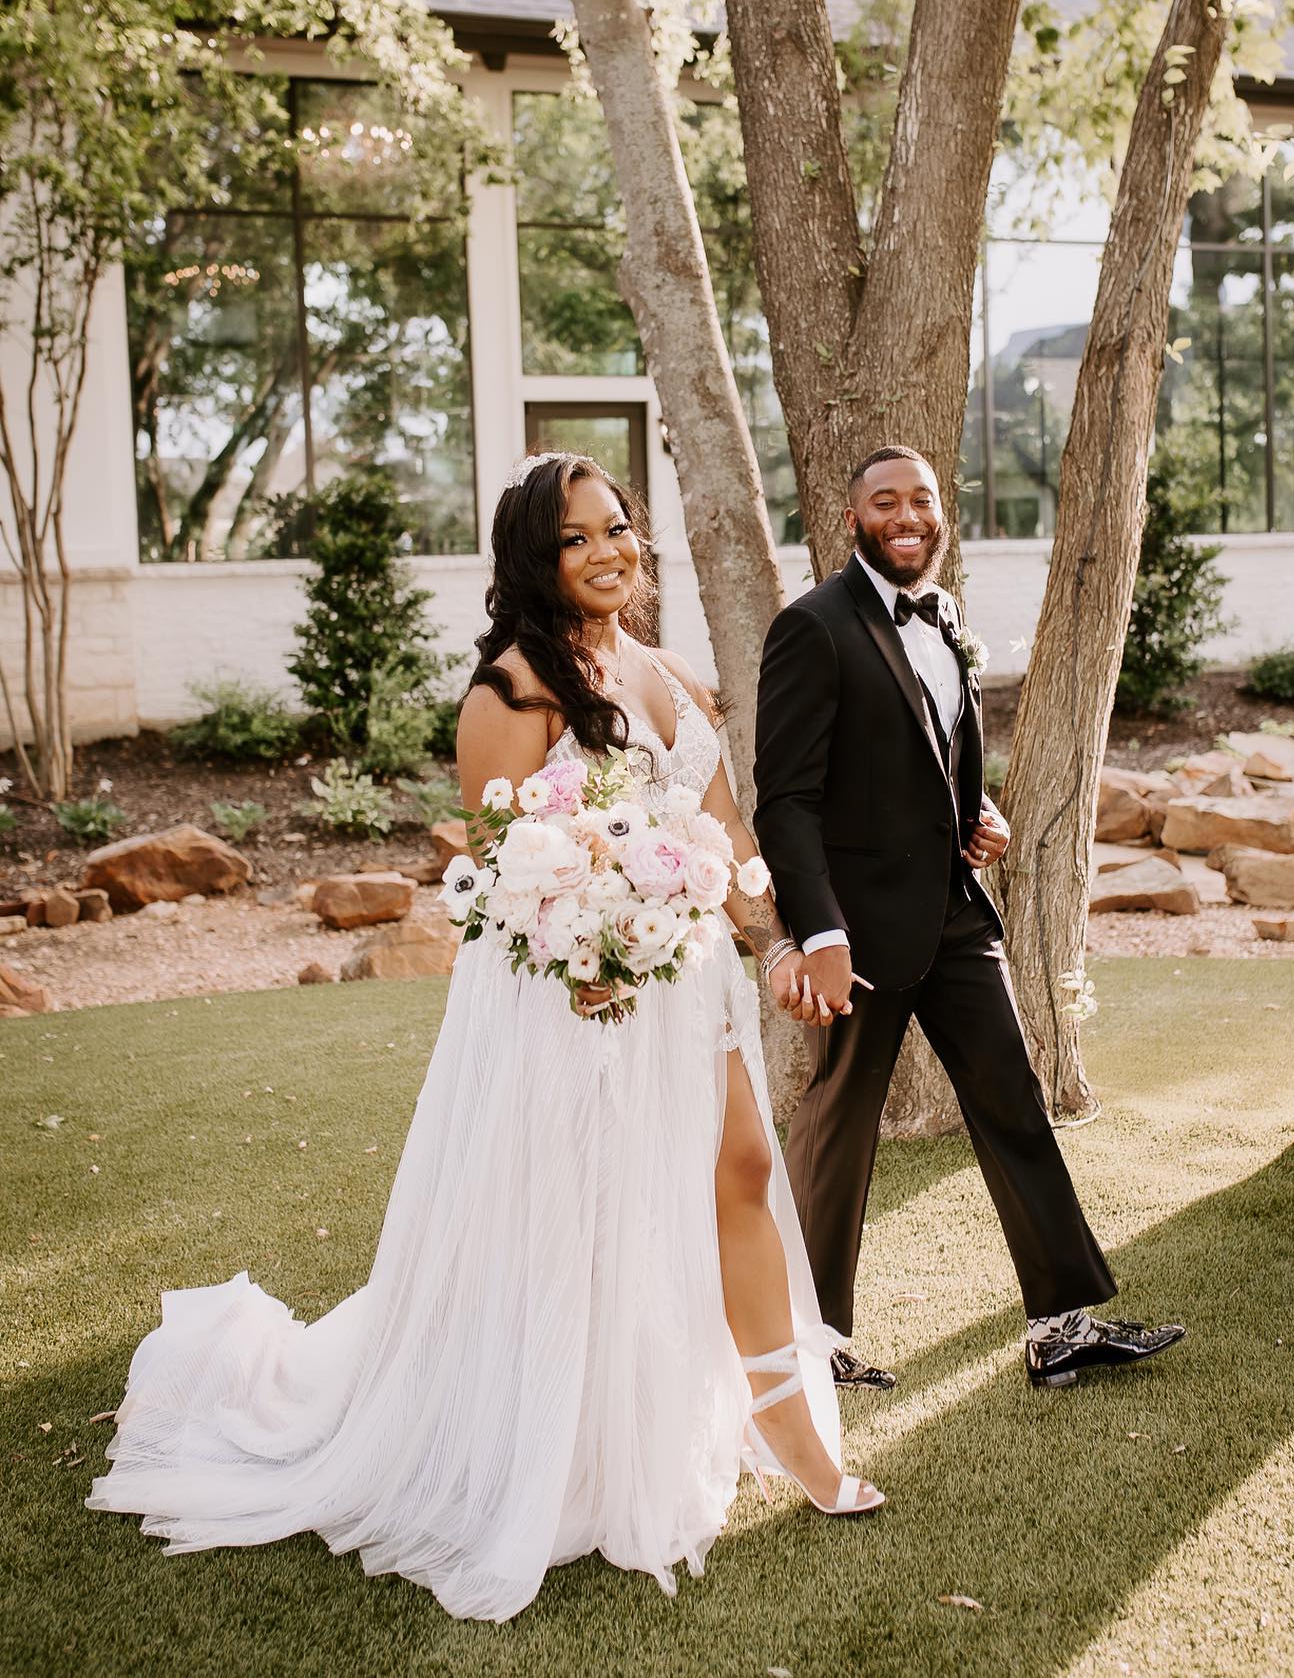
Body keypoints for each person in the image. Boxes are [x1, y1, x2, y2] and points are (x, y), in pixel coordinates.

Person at [87, 451, 879, 1626]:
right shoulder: (514, 690)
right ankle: (549, 1447)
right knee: (572, 1213)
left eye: (620, 529)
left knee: (745, 1174)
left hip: (685, 988)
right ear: (533, 560)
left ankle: (795, 1436)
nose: (612, 551)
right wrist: (597, 955)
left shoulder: (669, 676)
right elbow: (506, 873)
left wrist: (767, 943)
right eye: (580, 538)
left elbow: (726, 837)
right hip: (576, 1002)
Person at [753, 444, 1186, 1392]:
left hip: (955, 916)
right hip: (858, 937)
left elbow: (920, 750)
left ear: (941, 511)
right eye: (884, 502)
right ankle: (805, 1346)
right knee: (841, 1126)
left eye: (921, 499)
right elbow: (784, 800)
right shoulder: (812, 628)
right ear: (851, 517)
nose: (906, 515)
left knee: (1013, 1101)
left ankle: (1060, 1325)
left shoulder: (946, 614)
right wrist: (818, 933)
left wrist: (971, 811)